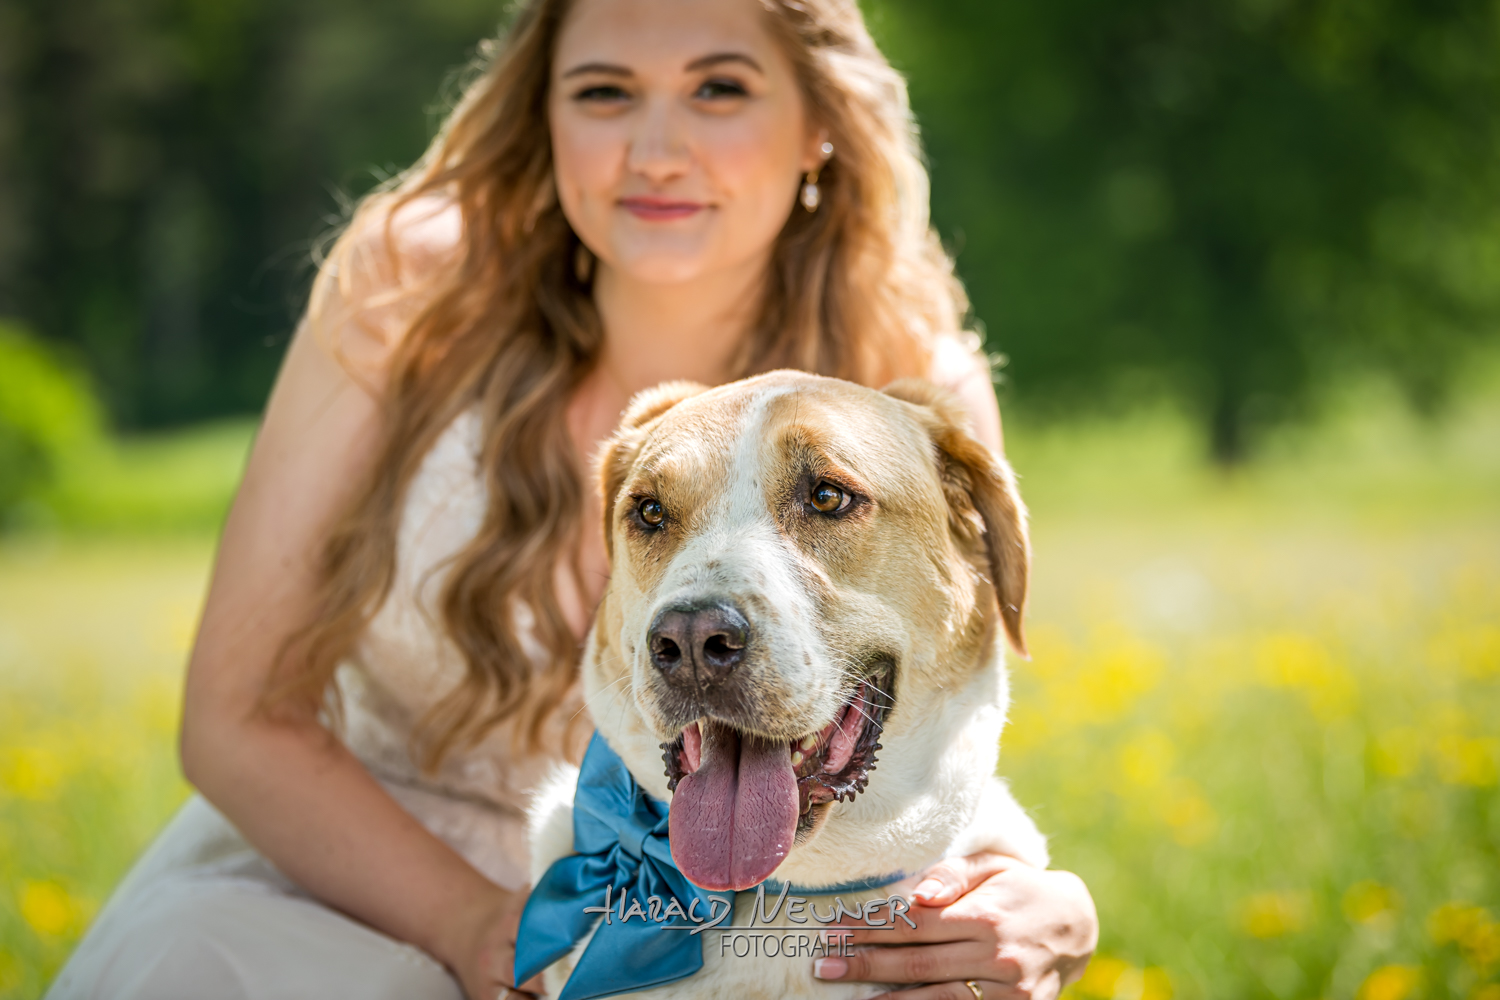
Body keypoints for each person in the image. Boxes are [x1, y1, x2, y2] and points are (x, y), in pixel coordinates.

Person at [48, 0, 1098, 997]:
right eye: (603, 93)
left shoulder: (904, 382)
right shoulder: (413, 289)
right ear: (542, 115)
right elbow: (234, 717)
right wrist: (478, 926)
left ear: (820, 121)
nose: (654, 148)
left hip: (760, 910)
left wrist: (1052, 902)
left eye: (719, 88)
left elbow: (945, 716)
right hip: (334, 879)